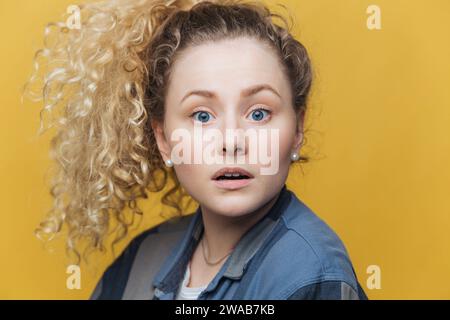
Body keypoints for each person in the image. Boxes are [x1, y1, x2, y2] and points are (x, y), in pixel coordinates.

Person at [25, 0, 368, 300]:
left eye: (259, 113)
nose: (232, 141)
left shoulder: (310, 275)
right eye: (202, 115)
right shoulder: (142, 258)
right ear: (163, 140)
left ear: (297, 131)